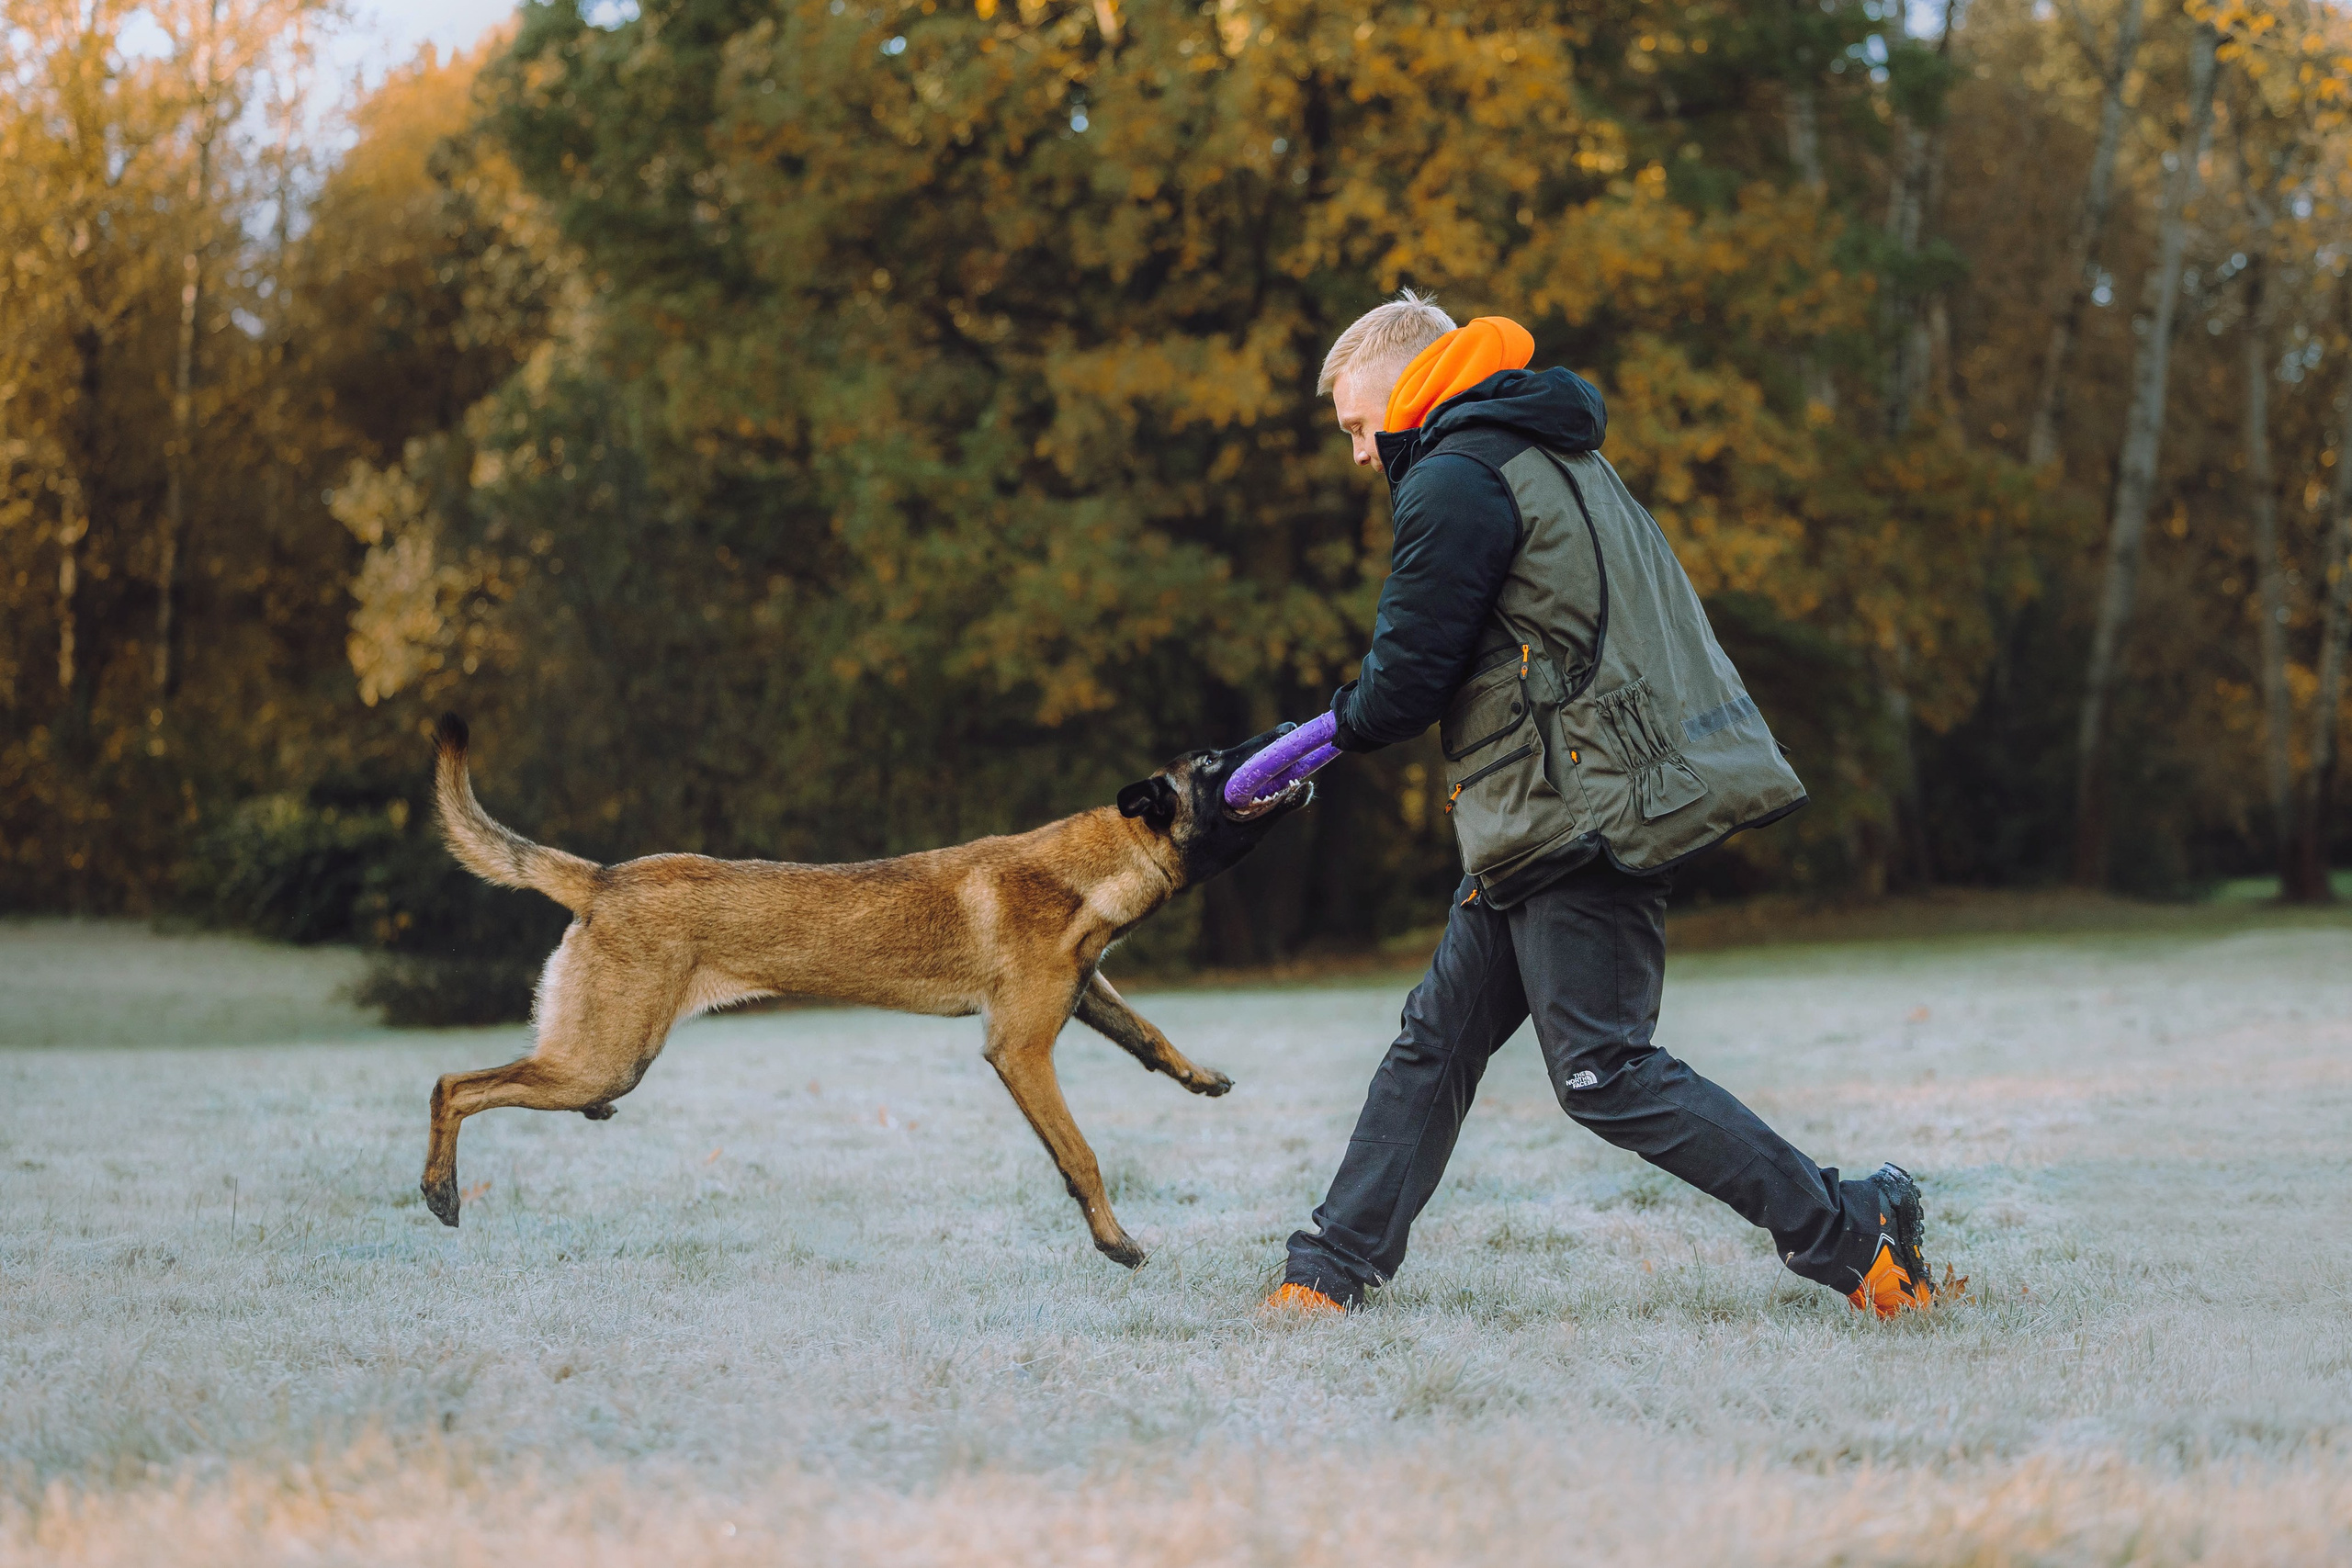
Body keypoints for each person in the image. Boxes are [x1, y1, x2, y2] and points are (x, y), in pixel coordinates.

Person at [1263, 290, 1935, 1319]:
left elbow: (1404, 684)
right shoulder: (1546, 452)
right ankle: (1328, 1270)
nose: (1359, 455)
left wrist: (1314, 737)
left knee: (1603, 1073)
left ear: (1406, 387)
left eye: (1358, 426)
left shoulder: (1453, 474)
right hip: (1542, 809)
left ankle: (1852, 1232)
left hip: (1575, 812)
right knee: (1432, 1044)